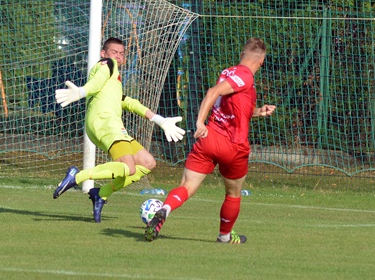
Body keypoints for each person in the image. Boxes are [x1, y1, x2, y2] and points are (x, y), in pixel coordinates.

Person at [144, 37, 276, 243]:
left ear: (242, 55)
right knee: (233, 193)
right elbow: (212, 92)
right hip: (233, 145)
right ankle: (224, 236)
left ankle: (165, 209)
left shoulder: (229, 72)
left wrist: (259, 111)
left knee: (187, 185)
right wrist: (199, 122)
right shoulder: (245, 76)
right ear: (262, 61)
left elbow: (234, 107)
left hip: (209, 139)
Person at [52, 37, 185, 223]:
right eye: (114, 52)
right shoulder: (107, 65)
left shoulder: (112, 80)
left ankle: (101, 193)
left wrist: (160, 120)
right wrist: (81, 92)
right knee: (129, 168)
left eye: (121, 53)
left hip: (107, 124)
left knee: (147, 162)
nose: (119, 56)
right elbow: (96, 83)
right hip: (105, 121)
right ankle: (77, 176)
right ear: (103, 54)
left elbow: (129, 102)